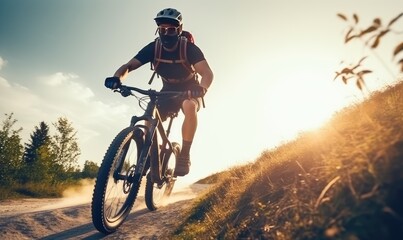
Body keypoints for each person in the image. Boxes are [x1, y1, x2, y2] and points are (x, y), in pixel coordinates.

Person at [104, 8, 214, 176]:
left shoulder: (189, 48)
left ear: (179, 30)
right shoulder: (153, 48)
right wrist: (117, 78)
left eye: (170, 29)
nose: (166, 32)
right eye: (162, 29)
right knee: (150, 114)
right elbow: (129, 66)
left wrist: (202, 88)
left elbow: (207, 73)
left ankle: (184, 154)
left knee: (189, 106)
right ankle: (149, 154)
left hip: (189, 90)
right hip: (167, 90)